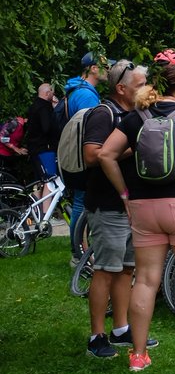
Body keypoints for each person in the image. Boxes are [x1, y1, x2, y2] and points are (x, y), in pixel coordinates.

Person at [97, 58, 175, 371]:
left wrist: (125, 194)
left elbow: (105, 154)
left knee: (145, 281)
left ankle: (138, 356)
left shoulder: (135, 116)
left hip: (144, 206)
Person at [80, 60, 157, 359]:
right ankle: (96, 335)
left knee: (126, 269)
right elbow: (92, 155)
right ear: (121, 88)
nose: (145, 90)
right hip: (108, 204)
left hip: (130, 205)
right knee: (104, 270)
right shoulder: (104, 113)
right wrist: (133, 143)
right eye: (139, 85)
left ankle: (122, 328)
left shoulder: (133, 113)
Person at [65, 52, 110, 238]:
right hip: (84, 156)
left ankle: (78, 249)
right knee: (82, 204)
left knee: (79, 202)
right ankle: (78, 252)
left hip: (77, 153)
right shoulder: (86, 95)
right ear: (93, 68)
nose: (108, 70)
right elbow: (90, 130)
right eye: (105, 66)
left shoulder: (78, 89)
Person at [23, 84, 56, 208]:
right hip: (45, 148)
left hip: (33, 148)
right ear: (48, 93)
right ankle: (46, 213)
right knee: (50, 180)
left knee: (38, 181)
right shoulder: (45, 107)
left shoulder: (33, 106)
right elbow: (47, 127)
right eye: (52, 92)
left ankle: (36, 211)